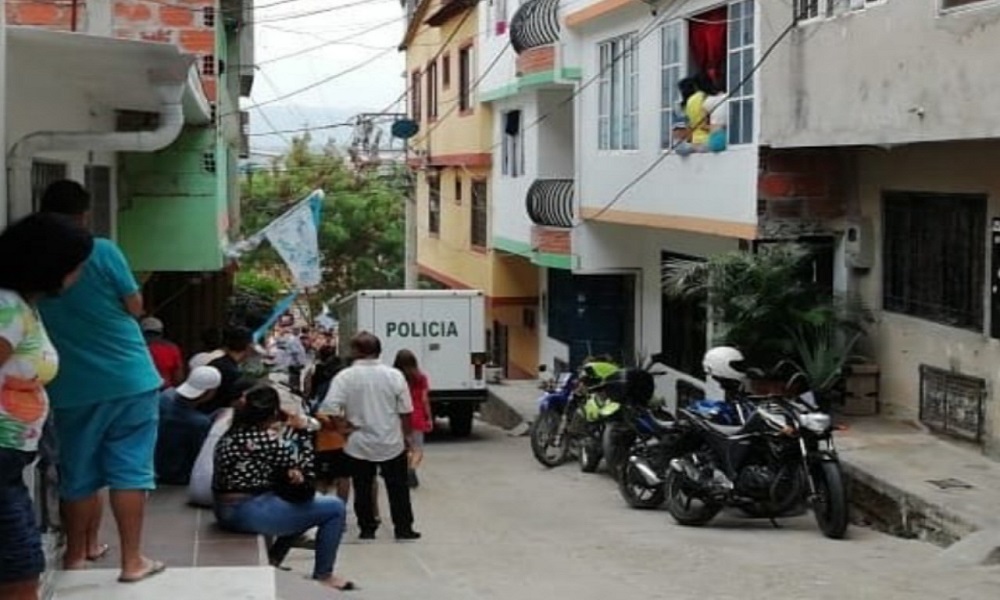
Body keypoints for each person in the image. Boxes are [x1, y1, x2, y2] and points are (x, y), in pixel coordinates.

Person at [37, 180, 165, 583]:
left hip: (68, 384)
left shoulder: (33, 263)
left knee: (78, 475)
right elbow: (135, 306)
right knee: (131, 471)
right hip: (129, 377)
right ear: (85, 214)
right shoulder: (102, 250)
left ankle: (76, 557)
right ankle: (132, 562)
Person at [0, 213, 93, 600]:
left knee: (20, 565)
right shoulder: (6, 309)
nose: (80, 274)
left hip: (11, 458)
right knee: (20, 569)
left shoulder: (22, 306)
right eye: (77, 266)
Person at [213, 385, 354, 591]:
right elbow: (306, 467)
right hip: (248, 511)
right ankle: (324, 573)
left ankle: (275, 558)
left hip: (225, 507)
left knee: (302, 505)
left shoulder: (230, 434)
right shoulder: (267, 441)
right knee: (334, 508)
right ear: (273, 414)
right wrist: (301, 428)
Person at [319, 332, 420, 541]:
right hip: (391, 440)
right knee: (398, 487)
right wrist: (407, 436)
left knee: (362, 486)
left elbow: (329, 407)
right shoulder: (394, 375)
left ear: (356, 351)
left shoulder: (345, 376)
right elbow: (406, 410)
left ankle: (367, 528)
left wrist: (342, 428)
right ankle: (403, 528)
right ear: (378, 351)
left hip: (359, 442)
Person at [155, 366, 222, 485]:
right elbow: (199, 456)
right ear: (210, 392)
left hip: (154, 466)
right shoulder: (199, 422)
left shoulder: (165, 396)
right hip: (178, 474)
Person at [392, 350, 433, 489]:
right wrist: (429, 417)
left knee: (404, 447)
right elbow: (424, 399)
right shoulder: (421, 378)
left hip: (400, 416)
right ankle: (412, 468)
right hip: (417, 415)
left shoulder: (394, 378)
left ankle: (405, 469)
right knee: (418, 449)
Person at [203, 326, 255, 415]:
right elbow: (235, 404)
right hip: (213, 418)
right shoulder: (233, 373)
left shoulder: (215, 362)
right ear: (249, 347)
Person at [141, 317, 184, 389]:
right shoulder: (172, 348)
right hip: (165, 391)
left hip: (143, 391)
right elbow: (178, 378)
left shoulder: (137, 348)